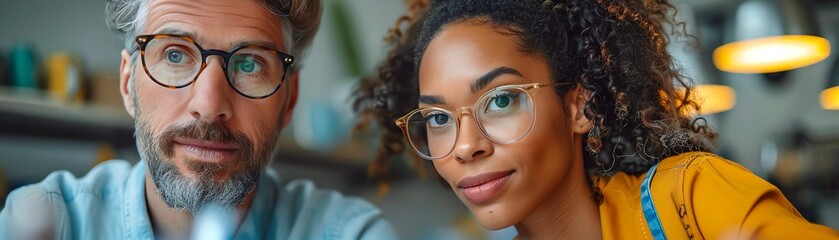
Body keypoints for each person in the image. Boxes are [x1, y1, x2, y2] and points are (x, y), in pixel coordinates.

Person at [353, 0, 839, 239]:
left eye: (500, 101)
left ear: (578, 107)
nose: (464, 146)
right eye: (438, 117)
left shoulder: (690, 200)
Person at [0, 0, 397, 239]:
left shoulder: (348, 234)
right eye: (174, 55)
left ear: (289, 99)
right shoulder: (50, 222)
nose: (209, 106)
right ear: (128, 84)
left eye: (249, 63)